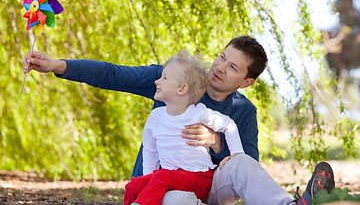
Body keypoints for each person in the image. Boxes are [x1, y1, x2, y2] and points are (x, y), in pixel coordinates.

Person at [23, 36, 335, 205]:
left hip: (211, 187)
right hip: (166, 187)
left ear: (246, 82)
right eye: (222, 57)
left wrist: (216, 142)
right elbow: (115, 74)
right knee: (174, 200)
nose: (221, 67)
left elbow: (247, 168)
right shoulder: (175, 79)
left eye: (233, 68)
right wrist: (58, 65)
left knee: (241, 164)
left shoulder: (244, 111)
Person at [124, 49, 244, 205]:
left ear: (182, 89)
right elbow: (150, 151)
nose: (157, 81)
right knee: (133, 186)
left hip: (198, 179)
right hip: (168, 178)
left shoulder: (198, 113)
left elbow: (229, 125)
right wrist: (147, 181)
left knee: (162, 177)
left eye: (164, 78)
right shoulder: (155, 117)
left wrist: (237, 153)